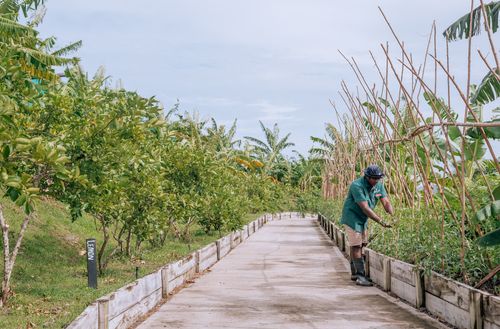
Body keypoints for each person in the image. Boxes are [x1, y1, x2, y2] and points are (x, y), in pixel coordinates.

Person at [340, 165, 394, 286]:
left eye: (378, 178)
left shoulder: (378, 185)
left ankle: (355, 273)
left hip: (363, 218)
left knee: (363, 243)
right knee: (357, 245)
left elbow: (386, 202)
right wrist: (381, 221)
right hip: (352, 217)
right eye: (374, 178)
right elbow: (365, 208)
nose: (376, 181)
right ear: (367, 177)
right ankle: (360, 275)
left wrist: (392, 215)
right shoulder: (357, 186)